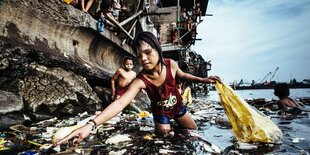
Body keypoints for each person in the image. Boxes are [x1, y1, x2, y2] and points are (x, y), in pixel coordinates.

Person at [55, 31, 221, 145]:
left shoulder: (171, 65)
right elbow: (120, 104)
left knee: (193, 131)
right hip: (161, 113)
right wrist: (91, 124)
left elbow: (183, 76)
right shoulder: (140, 80)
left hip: (177, 107)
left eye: (148, 52)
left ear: (157, 48)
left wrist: (203, 79)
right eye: (139, 55)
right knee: (165, 137)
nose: (144, 58)